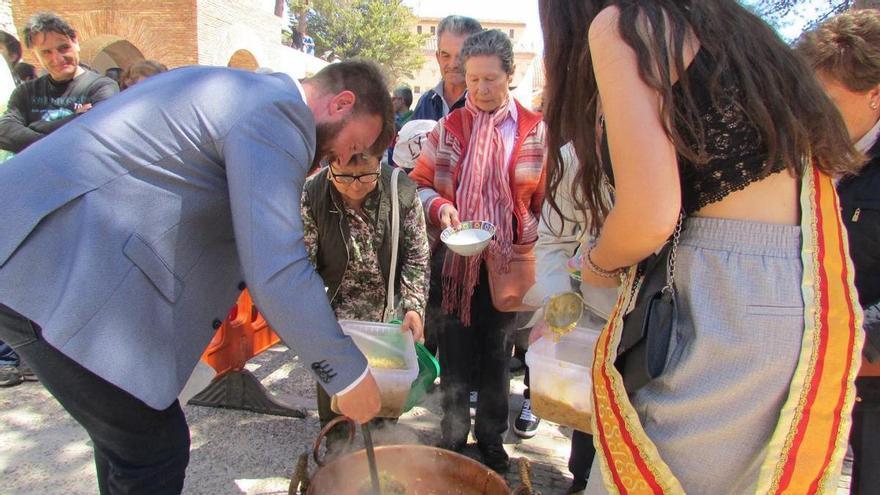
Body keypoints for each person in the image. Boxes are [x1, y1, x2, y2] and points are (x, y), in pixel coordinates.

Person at [0, 58, 393, 494]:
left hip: (46, 254)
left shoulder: (238, 90)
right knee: (153, 448)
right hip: (45, 260)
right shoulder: (278, 112)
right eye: (354, 145)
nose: (343, 159)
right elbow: (277, 267)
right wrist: (348, 375)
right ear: (341, 103)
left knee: (130, 442)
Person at [539, 1, 863, 493]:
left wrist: (597, 265)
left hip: (721, 295)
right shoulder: (732, 27)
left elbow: (649, 215)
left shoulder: (627, 24)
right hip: (788, 288)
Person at [410, 29, 546, 474]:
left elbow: (546, 199)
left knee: (497, 355)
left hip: (507, 264)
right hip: (454, 261)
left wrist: (531, 234)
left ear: (511, 73)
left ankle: (490, 438)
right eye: (473, 80)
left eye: (491, 79)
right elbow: (419, 185)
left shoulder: (533, 130)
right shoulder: (449, 128)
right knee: (453, 352)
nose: (482, 90)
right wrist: (442, 206)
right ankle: (452, 434)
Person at [797, 10, 880, 494]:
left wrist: (847, 344)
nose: (813, 116)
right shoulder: (817, 155)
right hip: (822, 374)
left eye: (826, 101)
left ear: (875, 95)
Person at [301, 151, 430, 448]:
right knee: (336, 403)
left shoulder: (402, 190)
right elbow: (302, 264)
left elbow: (416, 257)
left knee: (384, 409)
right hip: (333, 320)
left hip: (387, 320)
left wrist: (414, 307)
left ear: (380, 161)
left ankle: (382, 458)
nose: (356, 186)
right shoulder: (312, 193)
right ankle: (336, 460)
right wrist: (311, 320)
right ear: (329, 165)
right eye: (345, 177)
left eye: (367, 175)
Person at [523, 142, 616, 492]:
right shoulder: (576, 157)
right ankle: (580, 480)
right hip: (593, 316)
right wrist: (557, 308)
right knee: (587, 431)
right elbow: (553, 241)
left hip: (665, 325)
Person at [0, 12, 119, 153]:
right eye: (46, 52)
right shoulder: (25, 91)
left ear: (75, 41)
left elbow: (89, 131)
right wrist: (74, 119)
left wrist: (35, 126)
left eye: (63, 48)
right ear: (35, 55)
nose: (57, 58)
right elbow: (4, 131)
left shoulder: (102, 87)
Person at [411, 15, 482, 121]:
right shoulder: (426, 102)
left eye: (461, 56)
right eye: (445, 55)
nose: (453, 64)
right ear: (438, 57)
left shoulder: (485, 103)